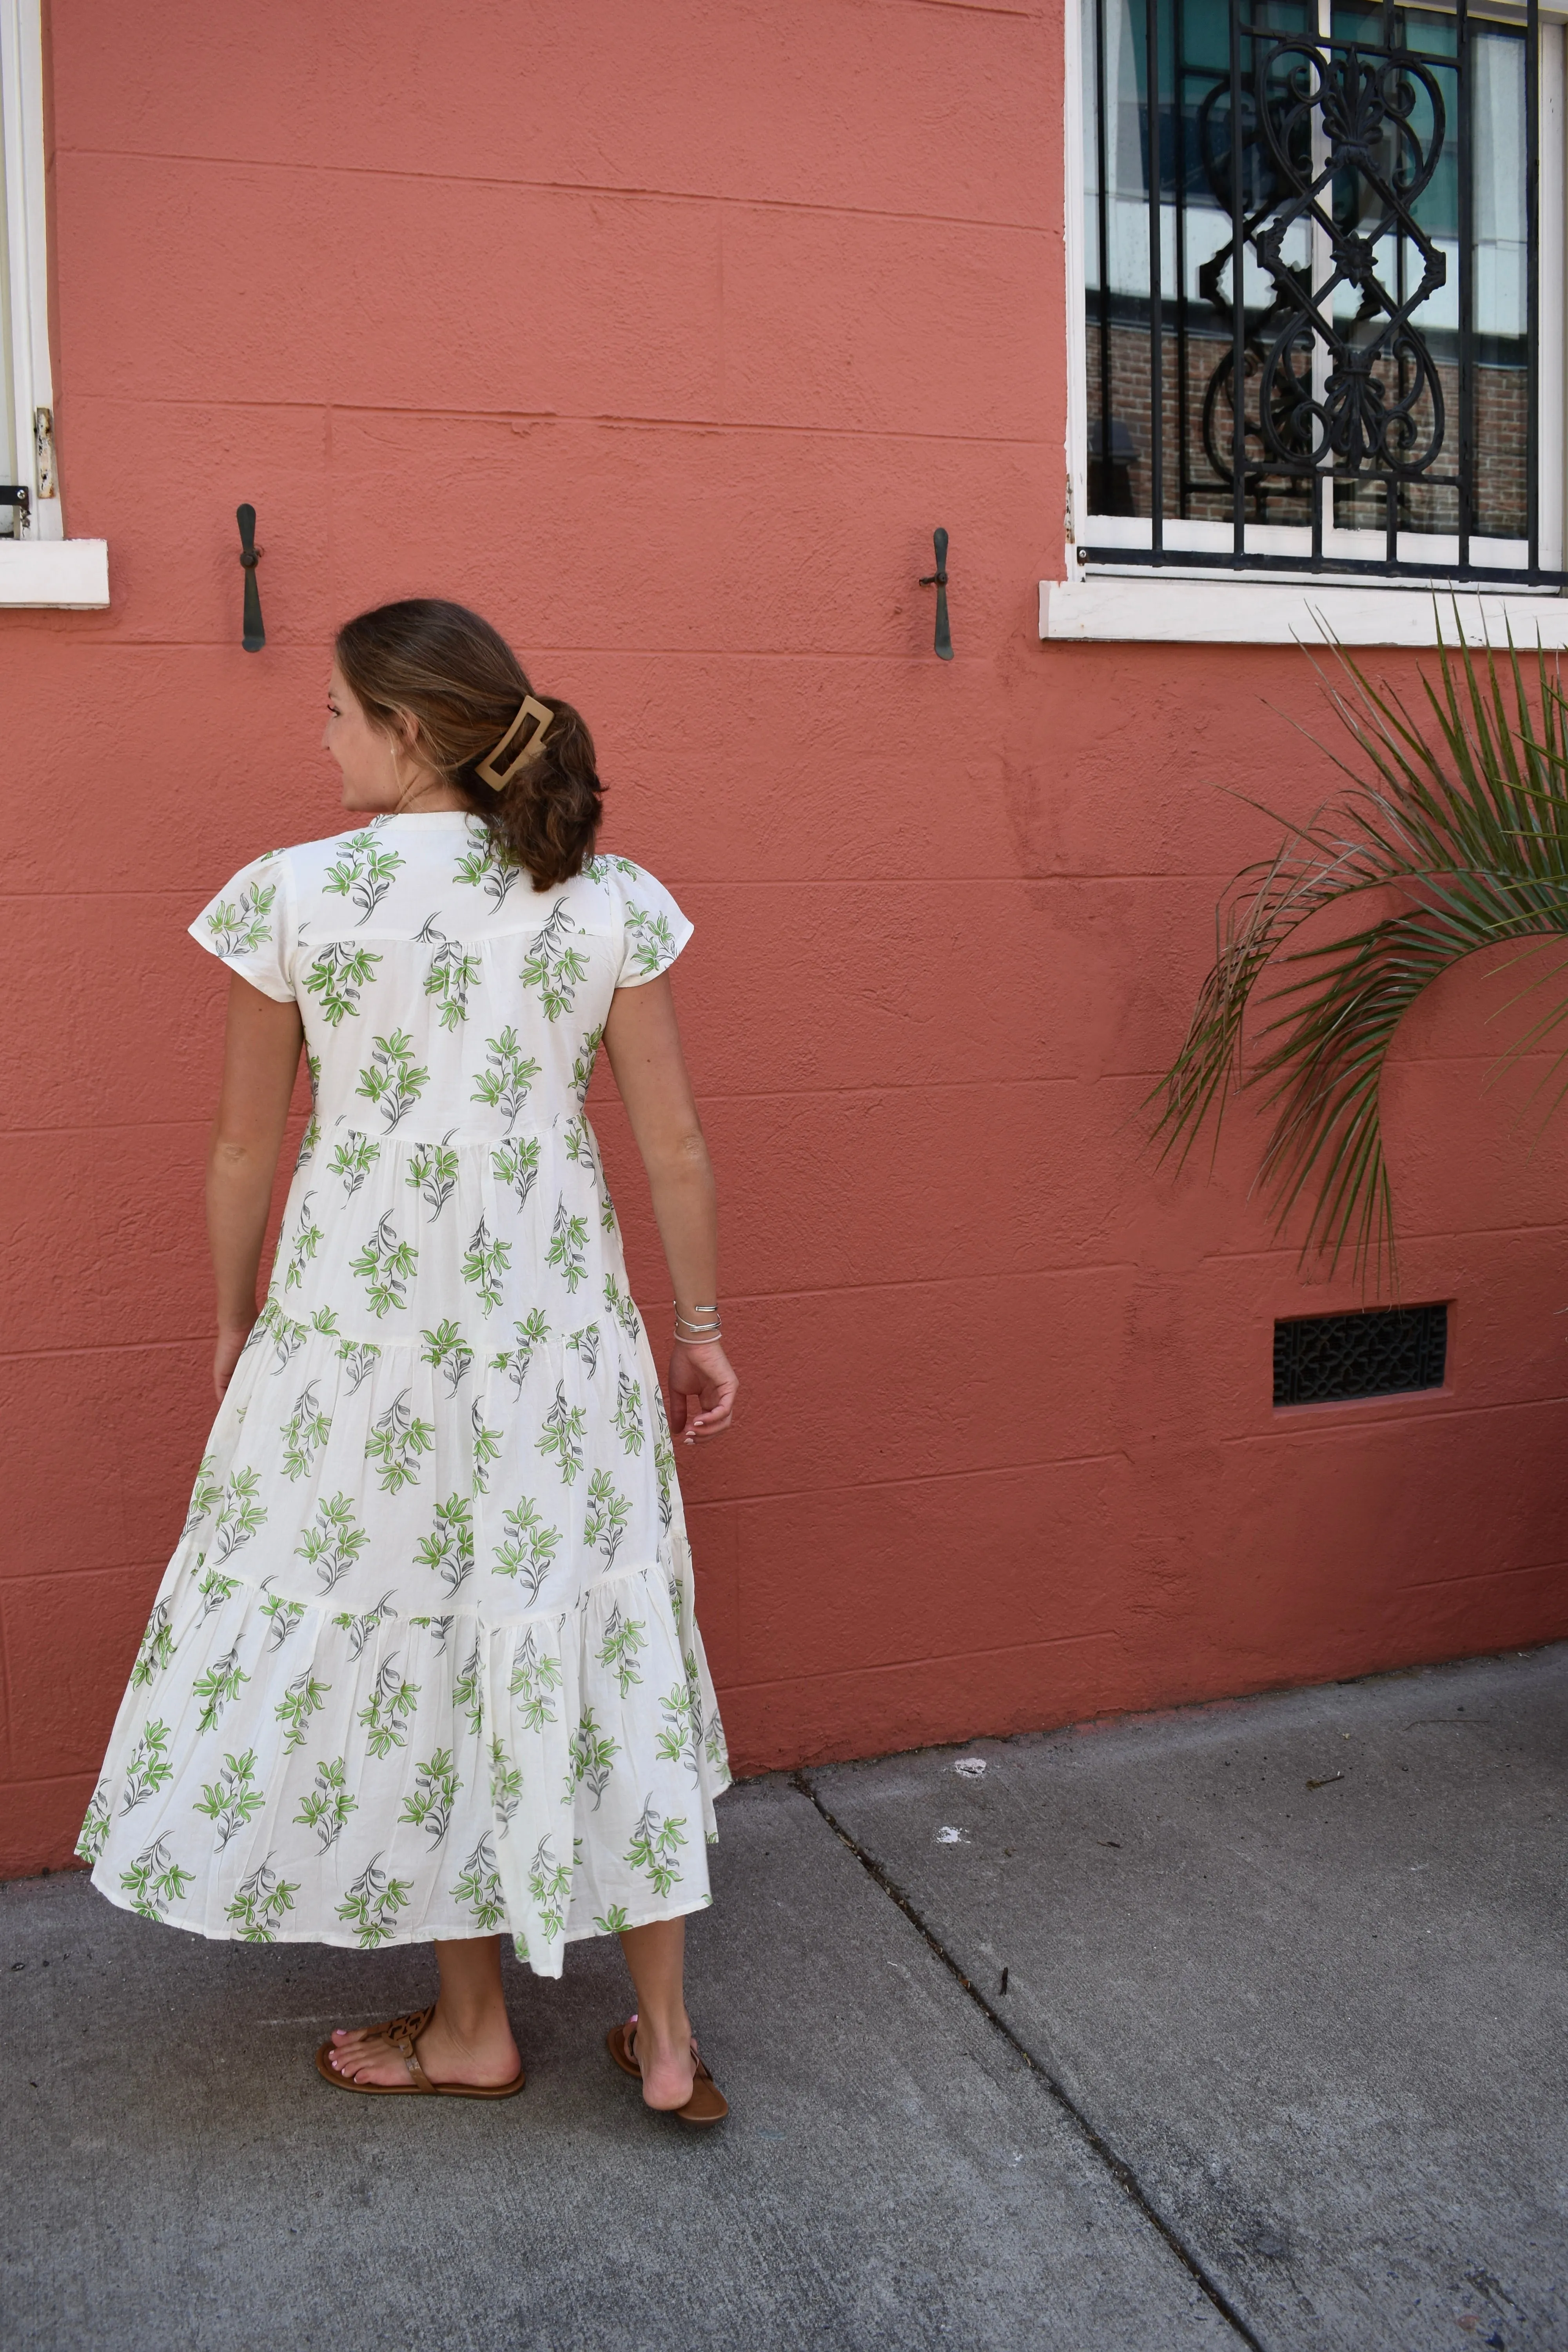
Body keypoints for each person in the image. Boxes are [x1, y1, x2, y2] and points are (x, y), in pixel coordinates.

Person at [77, 599, 737, 2123]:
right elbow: (674, 1145)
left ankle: (473, 2026)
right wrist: (695, 1332)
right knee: (601, 1631)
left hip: (356, 1345)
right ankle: (668, 2039)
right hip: (557, 1337)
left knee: (429, 1640)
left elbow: (249, 1143)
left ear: (411, 730)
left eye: (333, 713)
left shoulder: (293, 895)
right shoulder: (603, 893)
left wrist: (234, 1317)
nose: (317, 737)